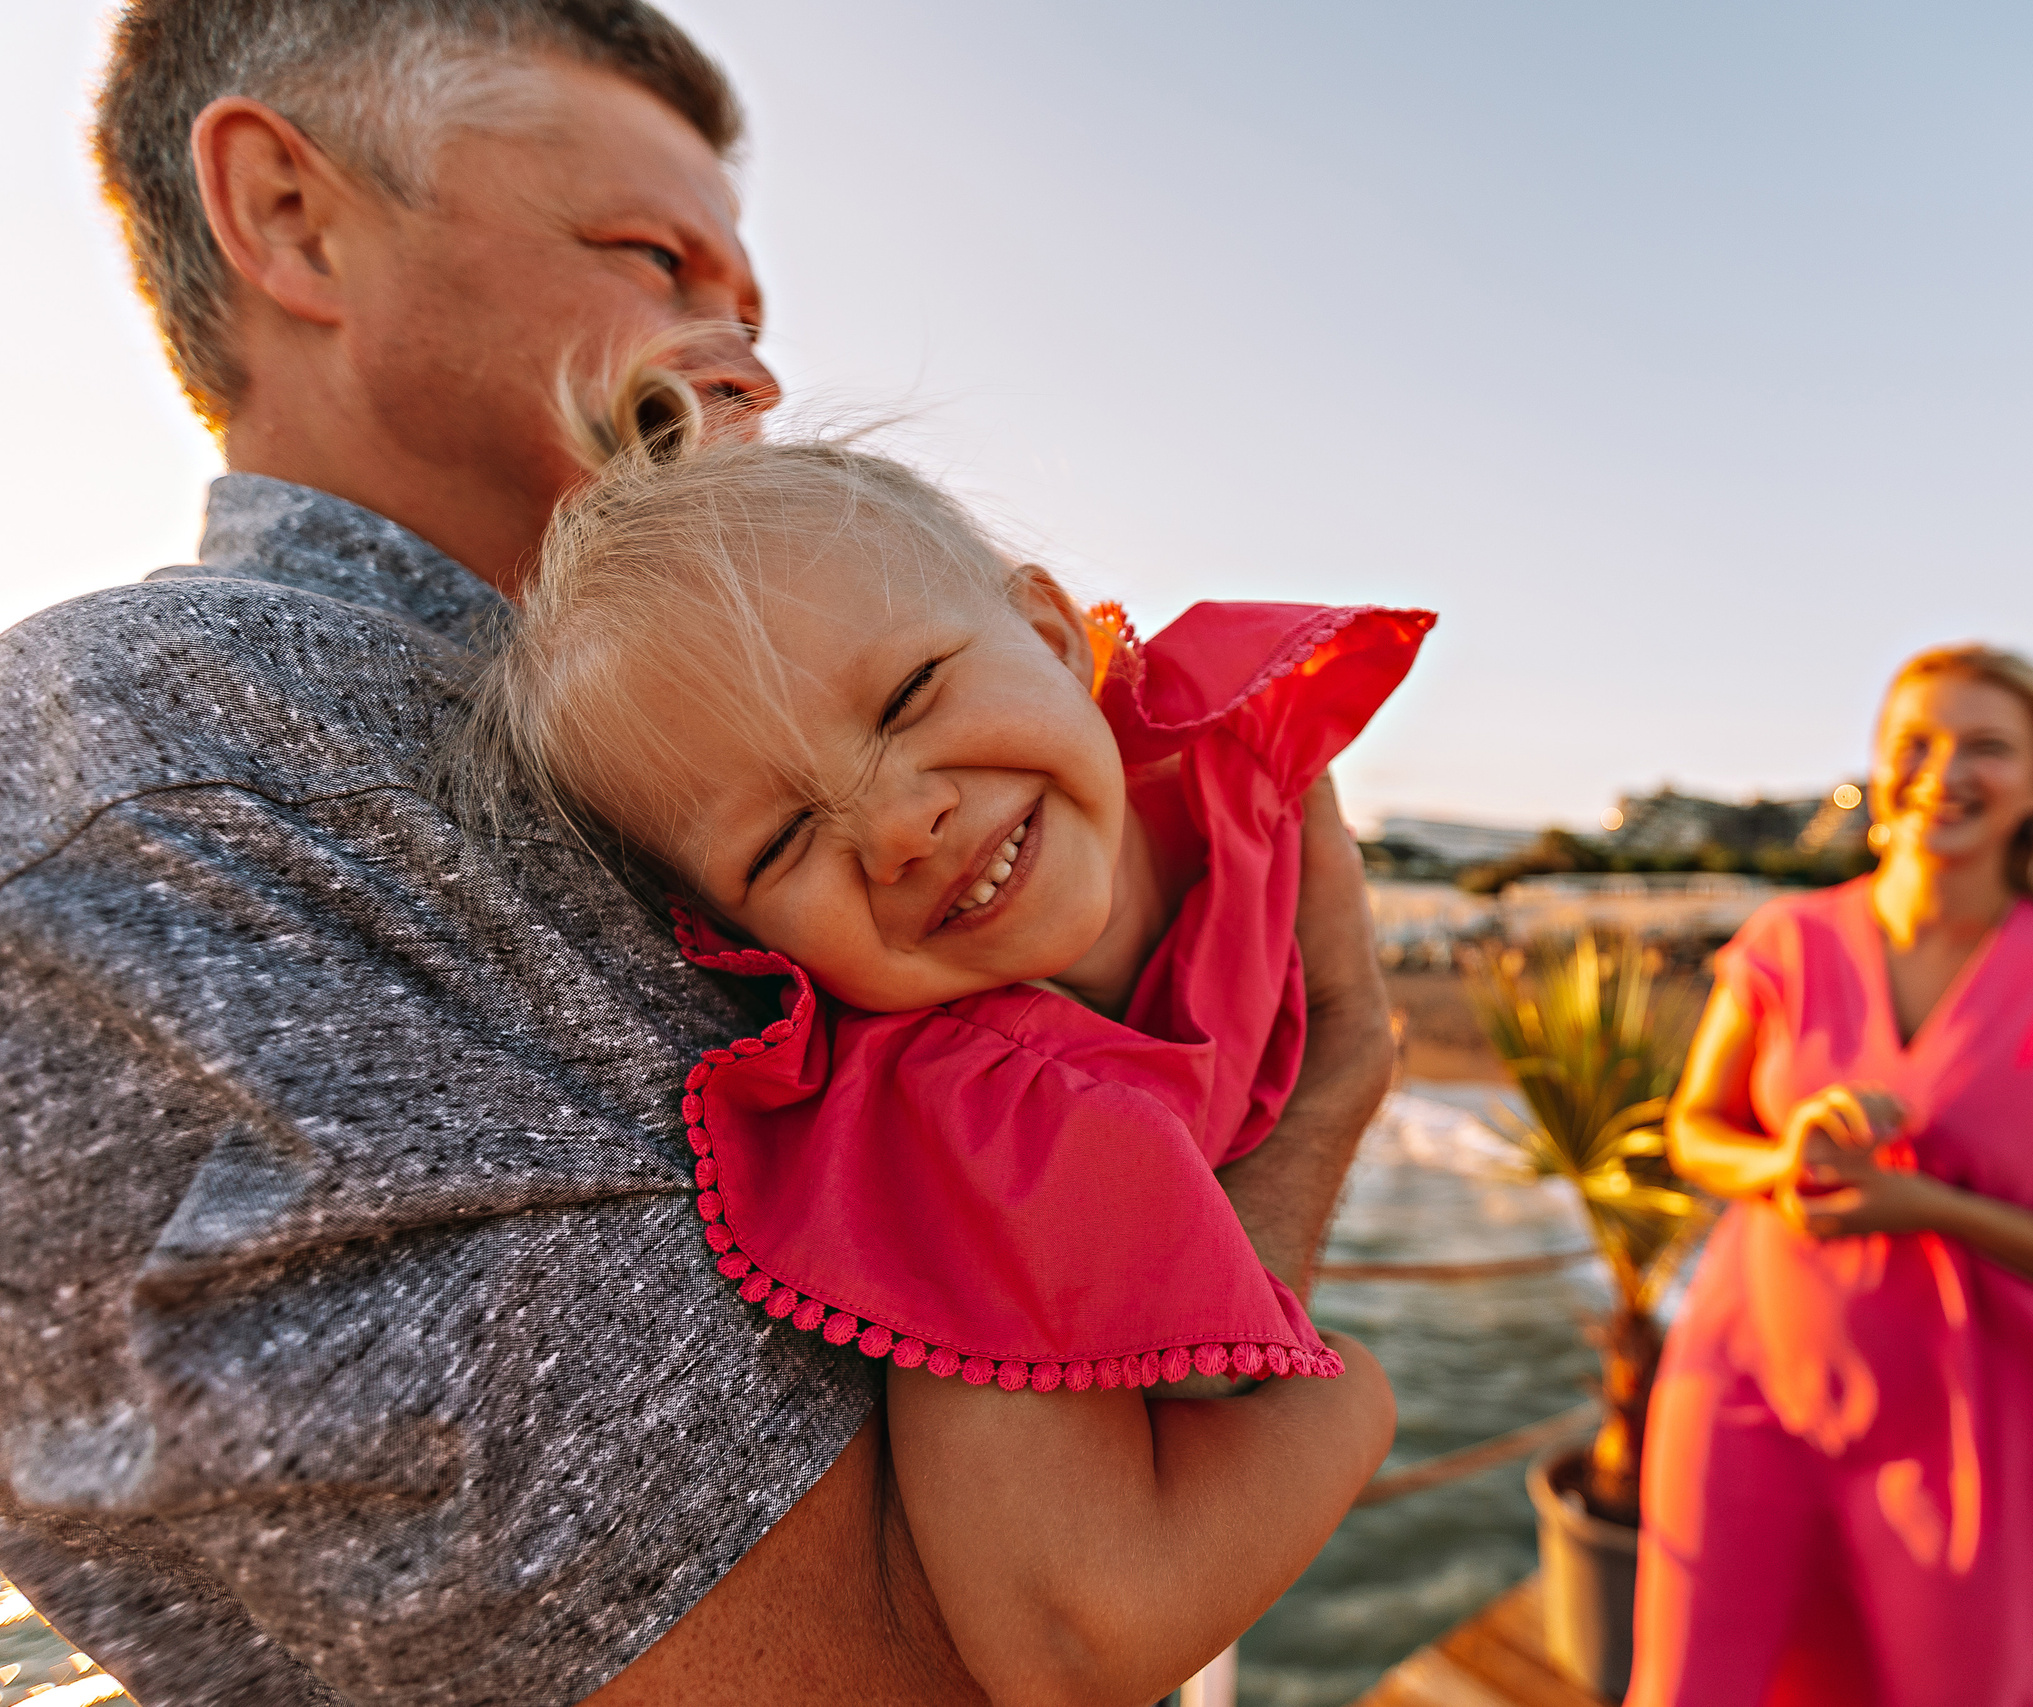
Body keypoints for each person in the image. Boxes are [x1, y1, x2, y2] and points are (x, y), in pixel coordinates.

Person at [0, 5, 1397, 1704]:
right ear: (294, 219)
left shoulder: (688, 767)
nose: (742, 366)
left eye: (749, 311)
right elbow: (903, 1671)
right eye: (652, 259)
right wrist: (1307, 1124)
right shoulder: (166, 767)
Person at [442, 386, 1431, 1397]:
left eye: (910, 695)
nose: (899, 829)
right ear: (739, 940)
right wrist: (1349, 1403)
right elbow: (1189, 1395)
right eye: (781, 844)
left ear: (1050, 636)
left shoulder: (1241, 755)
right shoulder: (974, 1109)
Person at [1633, 645, 2033, 1707]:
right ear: (1877, 768)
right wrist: (1780, 1161)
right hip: (1747, 1390)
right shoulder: (1784, 941)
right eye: (1916, 743)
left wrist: (1934, 1209)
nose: (1943, 771)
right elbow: (1694, 1131)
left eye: (1986, 746)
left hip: (1979, 1441)